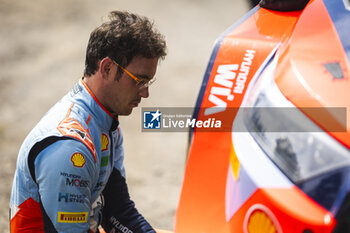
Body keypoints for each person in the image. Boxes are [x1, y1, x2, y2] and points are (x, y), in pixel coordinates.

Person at [10, 11, 167, 233]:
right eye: (140, 81)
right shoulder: (70, 147)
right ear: (107, 69)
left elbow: (117, 210)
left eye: (149, 82)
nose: (146, 93)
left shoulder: (104, 121)